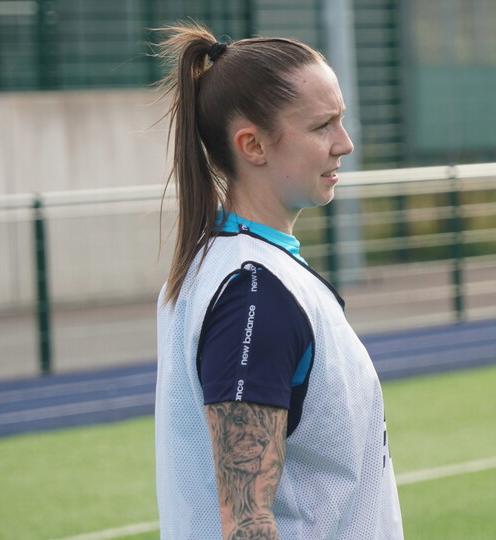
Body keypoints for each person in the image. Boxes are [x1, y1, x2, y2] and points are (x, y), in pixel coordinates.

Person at [153, 24, 404, 539]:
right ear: (253, 145)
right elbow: (246, 523)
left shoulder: (232, 268)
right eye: (322, 126)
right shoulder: (254, 292)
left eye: (342, 121)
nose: (345, 144)